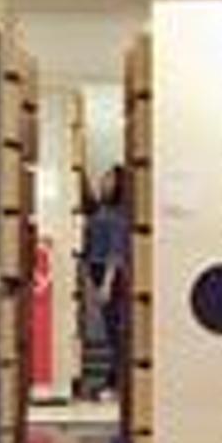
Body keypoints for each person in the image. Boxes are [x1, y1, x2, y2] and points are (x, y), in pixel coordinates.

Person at [76, 160, 130, 398]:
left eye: (108, 178)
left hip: (111, 277)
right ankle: (113, 380)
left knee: (115, 331)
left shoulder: (118, 215)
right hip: (99, 274)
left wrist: (107, 283)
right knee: (111, 330)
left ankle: (116, 382)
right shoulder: (102, 210)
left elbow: (115, 253)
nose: (103, 181)